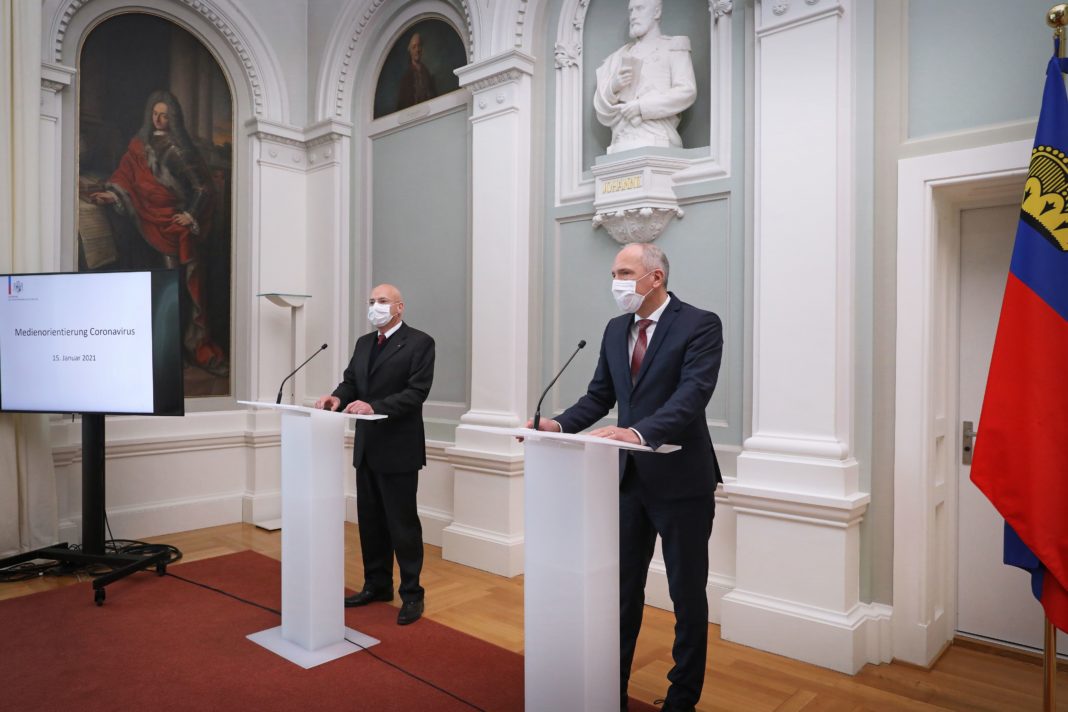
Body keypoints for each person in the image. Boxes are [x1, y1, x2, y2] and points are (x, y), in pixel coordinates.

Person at [527, 243, 722, 712]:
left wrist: (637, 432)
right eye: (614, 273)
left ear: (655, 277)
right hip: (627, 481)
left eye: (624, 272)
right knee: (620, 591)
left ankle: (682, 697)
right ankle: (609, 689)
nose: (616, 282)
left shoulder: (700, 324)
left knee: (686, 595)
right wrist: (556, 425)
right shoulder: (616, 329)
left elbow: (693, 394)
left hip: (682, 482)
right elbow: (600, 396)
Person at [315, 284, 435, 625]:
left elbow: (417, 392)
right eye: (371, 301)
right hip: (367, 446)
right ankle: (377, 585)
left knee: (402, 525)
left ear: (399, 307)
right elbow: (351, 382)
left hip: (399, 448)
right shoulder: (364, 343)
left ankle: (412, 594)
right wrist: (337, 397)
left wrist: (375, 406)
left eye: (382, 301)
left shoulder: (420, 342)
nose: (375, 306)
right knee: (370, 522)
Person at [90, 90, 227, 375]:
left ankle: (175, 352)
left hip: (171, 230)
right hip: (144, 223)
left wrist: (190, 215)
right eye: (155, 114)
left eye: (164, 115)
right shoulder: (139, 146)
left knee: (172, 293)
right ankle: (150, 352)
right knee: (149, 291)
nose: (158, 119)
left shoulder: (178, 150)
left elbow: (203, 188)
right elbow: (127, 179)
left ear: (172, 118)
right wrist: (113, 195)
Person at [593, 0, 698, 154]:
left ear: (657, 12)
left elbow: (686, 91)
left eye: (639, 9)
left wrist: (642, 107)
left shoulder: (673, 47)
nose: (633, 16)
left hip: (659, 137)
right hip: (621, 139)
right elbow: (601, 104)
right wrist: (613, 86)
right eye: (631, 11)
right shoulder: (618, 57)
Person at [396, 32, 438, 111]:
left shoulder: (427, 74)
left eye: (419, 46)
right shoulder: (406, 78)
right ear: (410, 50)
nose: (417, 50)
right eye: (414, 47)